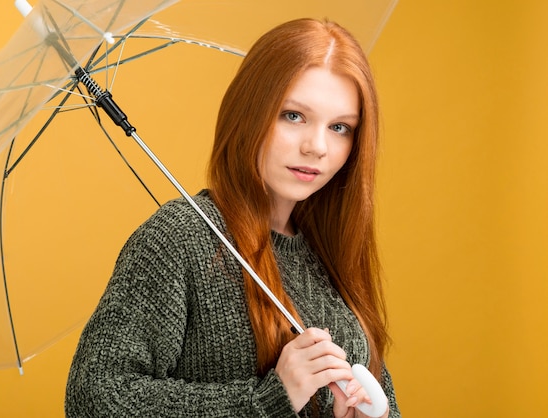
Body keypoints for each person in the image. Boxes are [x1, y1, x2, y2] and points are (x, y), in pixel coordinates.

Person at [65, 18, 400, 418]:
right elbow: (95, 399)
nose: (317, 146)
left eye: (340, 127)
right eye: (293, 116)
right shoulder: (181, 237)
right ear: (251, 111)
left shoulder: (330, 252)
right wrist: (270, 400)